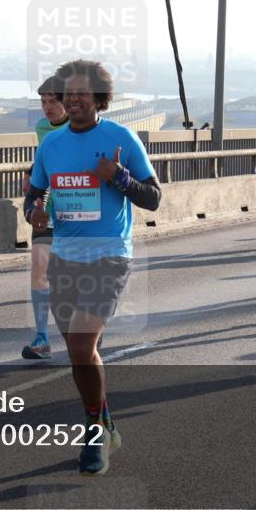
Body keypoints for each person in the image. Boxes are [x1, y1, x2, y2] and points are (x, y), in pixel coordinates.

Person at [25, 59, 161, 476]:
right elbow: (34, 195)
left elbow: (153, 197)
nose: (74, 99)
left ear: (99, 97)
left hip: (109, 256)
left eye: (82, 92)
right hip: (64, 256)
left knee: (83, 347)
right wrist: (35, 212)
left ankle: (94, 432)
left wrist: (119, 177)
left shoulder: (120, 137)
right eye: (68, 93)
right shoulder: (51, 145)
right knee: (78, 352)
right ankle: (104, 422)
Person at [20, 76, 69, 360]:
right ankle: (42, 338)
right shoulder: (42, 127)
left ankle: (88, 329)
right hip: (47, 205)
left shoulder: (80, 126)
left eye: (54, 101)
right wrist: (31, 173)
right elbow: (45, 159)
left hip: (78, 208)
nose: (48, 107)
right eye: (43, 102)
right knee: (39, 268)